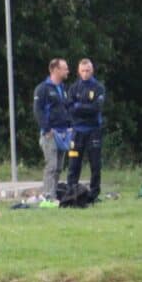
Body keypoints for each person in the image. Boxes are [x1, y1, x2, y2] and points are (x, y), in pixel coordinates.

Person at [63, 58, 106, 203]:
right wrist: (83, 107)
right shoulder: (74, 88)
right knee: (74, 163)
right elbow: (69, 107)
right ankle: (71, 192)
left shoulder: (98, 88)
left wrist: (79, 106)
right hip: (77, 131)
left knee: (95, 164)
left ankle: (94, 194)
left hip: (93, 130)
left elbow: (96, 108)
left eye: (88, 70)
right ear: (78, 71)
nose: (85, 73)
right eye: (83, 70)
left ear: (92, 70)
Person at [32, 58, 72, 202]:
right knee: (51, 165)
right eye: (65, 68)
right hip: (50, 134)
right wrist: (46, 129)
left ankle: (54, 196)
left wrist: (69, 126)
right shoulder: (42, 89)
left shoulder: (63, 88)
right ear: (55, 70)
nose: (68, 71)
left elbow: (66, 109)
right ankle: (48, 197)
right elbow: (38, 110)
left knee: (59, 167)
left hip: (63, 134)